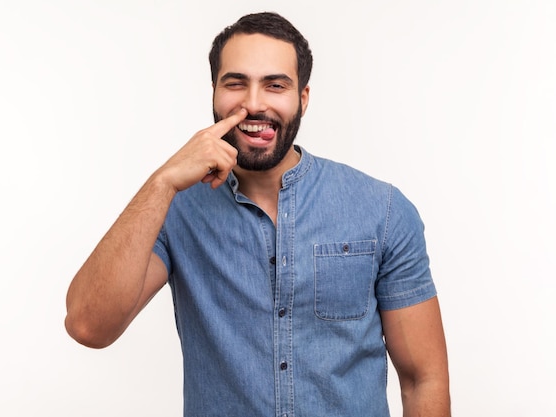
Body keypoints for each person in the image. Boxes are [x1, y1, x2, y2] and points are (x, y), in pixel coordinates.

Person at [65, 11, 451, 417]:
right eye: (236, 83)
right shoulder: (176, 209)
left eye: (275, 85)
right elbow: (89, 326)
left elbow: (422, 378)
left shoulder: (382, 210)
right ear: (214, 92)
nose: (253, 104)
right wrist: (162, 181)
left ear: (302, 98)